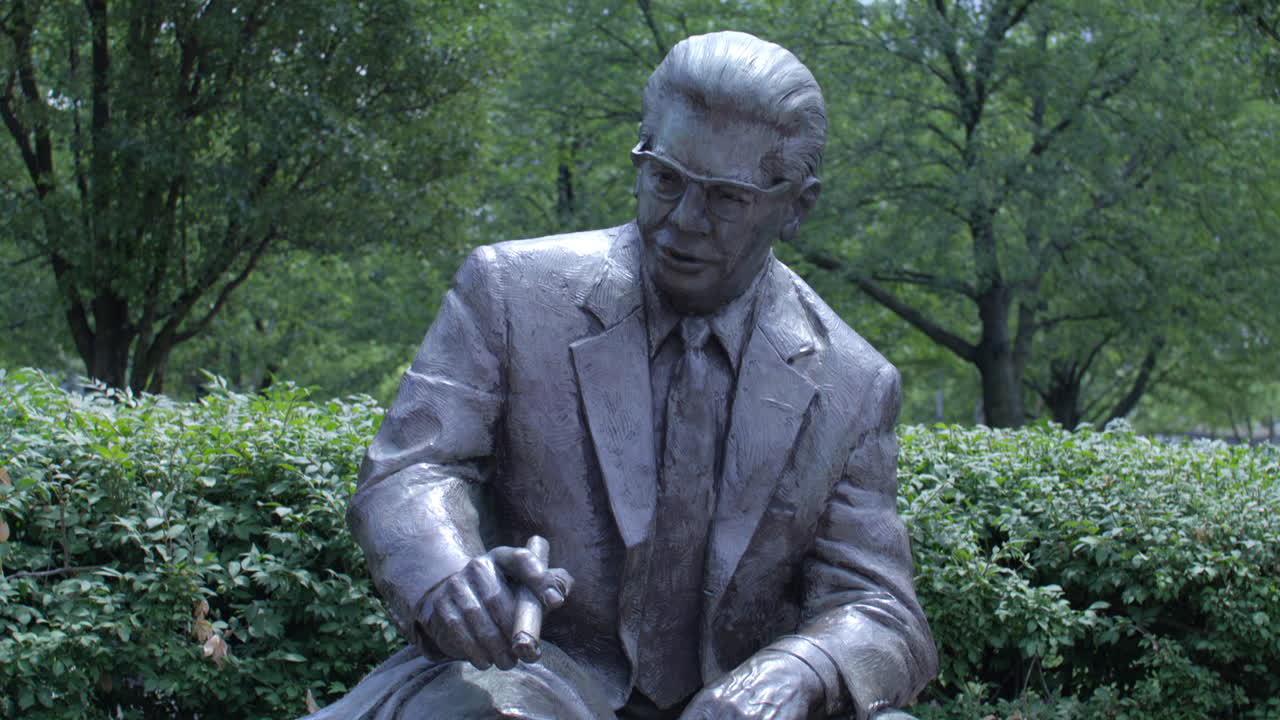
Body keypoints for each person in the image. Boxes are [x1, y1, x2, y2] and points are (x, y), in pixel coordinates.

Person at [305, 30, 936, 720]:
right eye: (665, 178)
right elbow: (412, 472)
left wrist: (798, 669)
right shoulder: (512, 292)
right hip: (535, 674)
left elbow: (877, 606)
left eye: (726, 198)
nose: (684, 221)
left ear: (796, 205)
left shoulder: (852, 381)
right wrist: (454, 576)